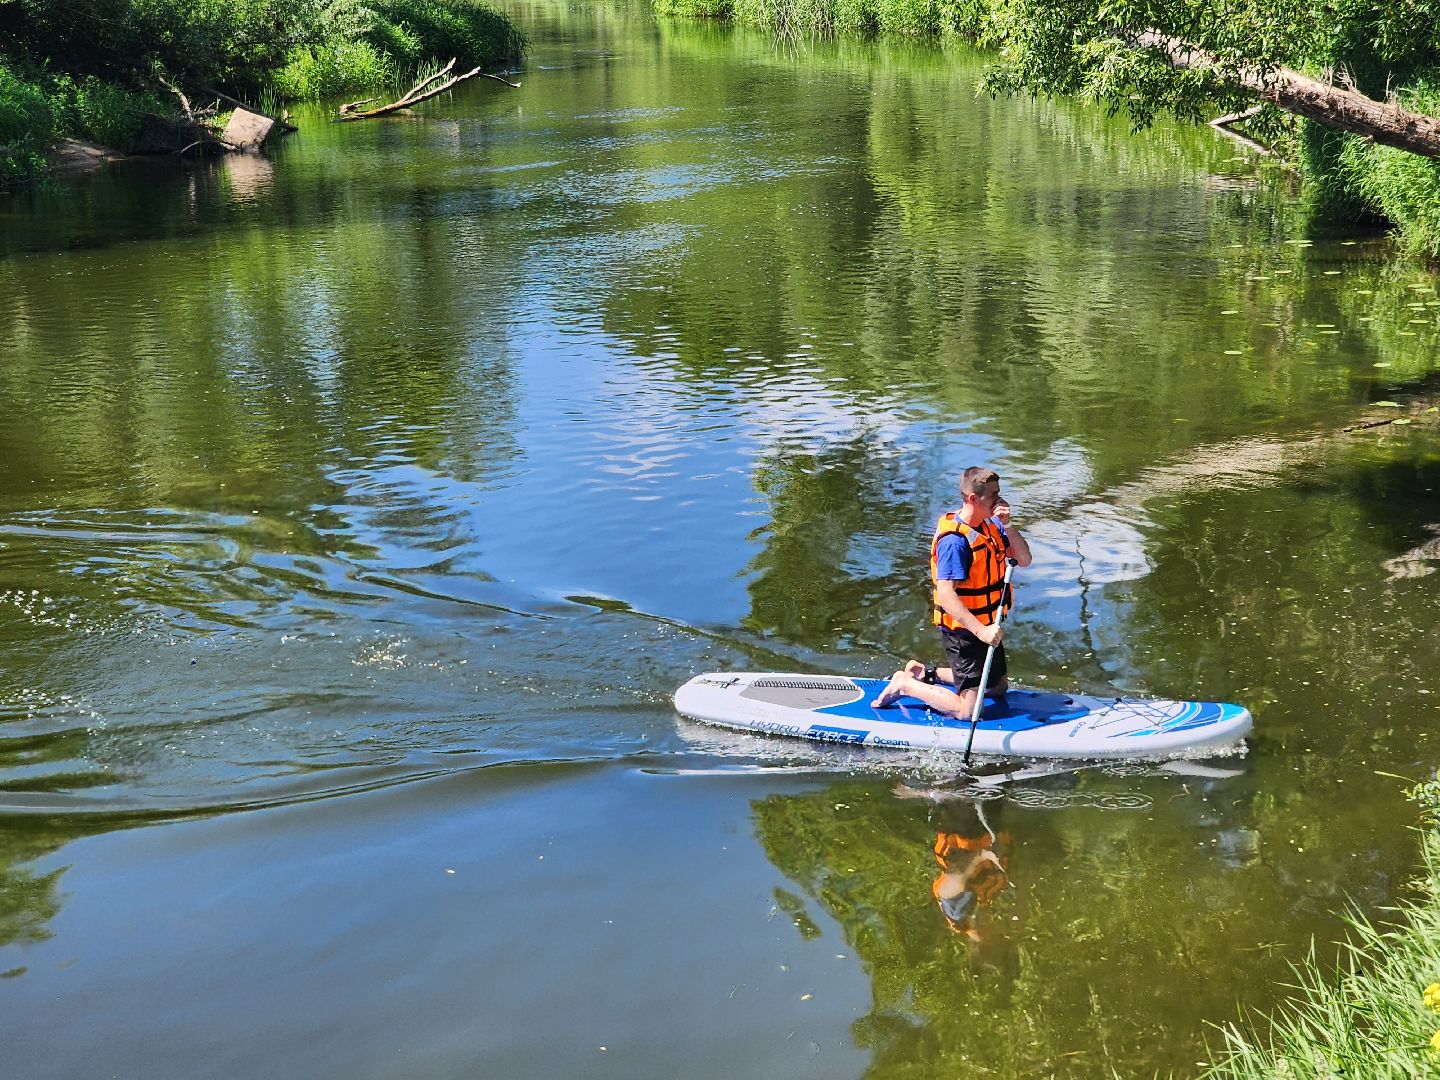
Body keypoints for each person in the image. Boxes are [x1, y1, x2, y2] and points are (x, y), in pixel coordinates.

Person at [872, 466, 1032, 716]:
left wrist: (1008, 524)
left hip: (988, 623)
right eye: (992, 495)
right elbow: (946, 596)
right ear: (972, 499)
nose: (1000, 500)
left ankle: (926, 674)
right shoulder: (954, 543)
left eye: (999, 493)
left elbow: (1024, 559)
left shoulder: (993, 528)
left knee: (997, 687)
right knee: (968, 711)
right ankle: (905, 685)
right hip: (964, 631)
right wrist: (981, 631)